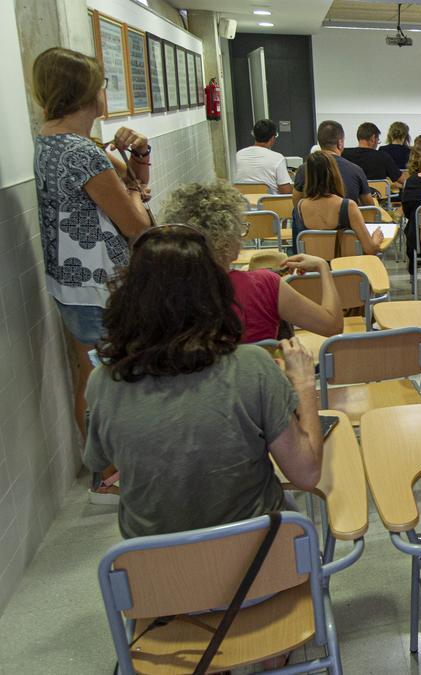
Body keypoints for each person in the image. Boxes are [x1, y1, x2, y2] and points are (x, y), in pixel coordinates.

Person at [84, 226, 324, 538]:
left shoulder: (103, 381)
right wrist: (304, 386)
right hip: (258, 566)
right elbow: (306, 473)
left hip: (155, 575)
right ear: (215, 293)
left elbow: (103, 465)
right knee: (292, 505)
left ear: (128, 296)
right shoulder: (252, 366)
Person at [33, 47, 153, 503]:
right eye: (102, 84)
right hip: (97, 284)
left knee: (93, 373)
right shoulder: (83, 154)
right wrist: (136, 187)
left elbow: (134, 183)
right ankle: (106, 474)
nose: (106, 93)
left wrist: (138, 155)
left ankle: (105, 468)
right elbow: (137, 223)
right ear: (86, 92)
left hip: (74, 282)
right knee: (103, 378)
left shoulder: (52, 140)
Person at [161, 181, 343, 344]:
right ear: (226, 237)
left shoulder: (164, 294)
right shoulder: (265, 284)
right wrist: (323, 267)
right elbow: (332, 325)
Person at [292, 152, 384, 255]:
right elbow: (370, 250)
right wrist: (376, 238)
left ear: (307, 176)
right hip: (345, 267)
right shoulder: (348, 206)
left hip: (313, 268)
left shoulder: (300, 207)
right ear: (334, 173)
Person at [292, 120, 374, 207]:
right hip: (346, 219)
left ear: (320, 142)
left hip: (313, 219)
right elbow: (369, 208)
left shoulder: (303, 169)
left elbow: (296, 204)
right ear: (340, 143)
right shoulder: (356, 170)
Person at [234, 118, 293, 194]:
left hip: (244, 204)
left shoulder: (239, 154)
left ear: (254, 135)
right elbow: (286, 191)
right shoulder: (277, 158)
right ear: (272, 138)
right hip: (269, 205)